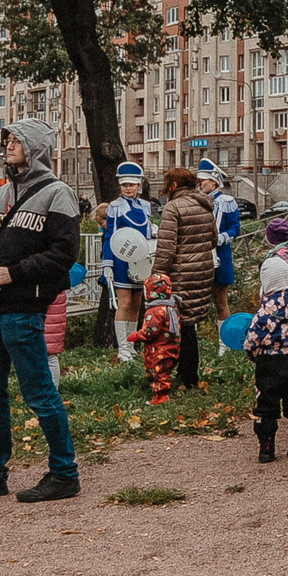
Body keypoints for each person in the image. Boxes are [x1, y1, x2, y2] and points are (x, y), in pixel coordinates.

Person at [0, 120, 83, 503]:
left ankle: (64, 472)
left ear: (36, 147)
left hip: (23, 308)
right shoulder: (0, 194)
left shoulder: (59, 194)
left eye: (16, 140)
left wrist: (17, 273)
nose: (8, 145)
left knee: (39, 392)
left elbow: (63, 254)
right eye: (6, 139)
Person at [153, 166, 217, 394]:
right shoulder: (205, 205)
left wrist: (157, 275)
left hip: (180, 273)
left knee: (179, 325)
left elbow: (167, 247)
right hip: (202, 270)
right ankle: (188, 374)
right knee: (190, 324)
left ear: (172, 186)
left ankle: (185, 375)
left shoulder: (173, 207)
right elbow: (213, 239)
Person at [245, 254, 288, 463]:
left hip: (269, 362)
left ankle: (266, 448)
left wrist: (253, 354)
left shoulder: (264, 311)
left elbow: (252, 338)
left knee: (266, 404)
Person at [99, 162, 153, 363]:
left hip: (140, 261)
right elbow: (109, 236)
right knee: (125, 302)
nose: (128, 188)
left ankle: (131, 345)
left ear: (139, 185)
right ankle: (122, 347)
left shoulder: (146, 207)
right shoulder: (114, 207)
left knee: (137, 304)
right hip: (121, 260)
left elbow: (146, 233)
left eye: (132, 184)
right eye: (124, 185)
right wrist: (107, 264)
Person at [198, 159, 241, 320]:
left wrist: (218, 238)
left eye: (203, 181)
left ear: (214, 183)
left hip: (220, 254)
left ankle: (223, 343)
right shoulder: (195, 201)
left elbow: (234, 229)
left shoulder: (226, 202)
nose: (199, 184)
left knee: (221, 302)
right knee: (196, 302)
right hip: (198, 255)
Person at [137, 272, 183, 403]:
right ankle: (163, 393)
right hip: (171, 346)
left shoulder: (154, 311)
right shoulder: (171, 307)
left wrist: (137, 335)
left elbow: (150, 331)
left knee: (158, 372)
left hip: (157, 350)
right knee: (165, 370)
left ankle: (161, 396)